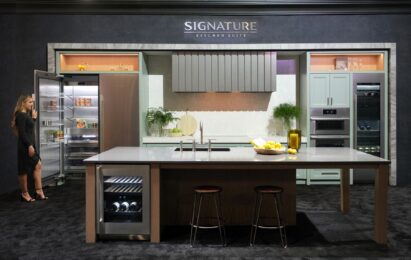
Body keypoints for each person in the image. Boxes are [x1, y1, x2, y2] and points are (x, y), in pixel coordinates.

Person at [11, 95, 48, 202]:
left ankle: (38, 191)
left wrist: (33, 119)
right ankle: (25, 194)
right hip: (25, 146)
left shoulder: (24, 115)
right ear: (23, 103)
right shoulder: (21, 115)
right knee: (23, 169)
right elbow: (22, 133)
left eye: (32, 102)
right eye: (30, 102)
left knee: (37, 165)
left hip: (28, 145)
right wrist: (29, 145)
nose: (32, 104)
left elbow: (28, 129)